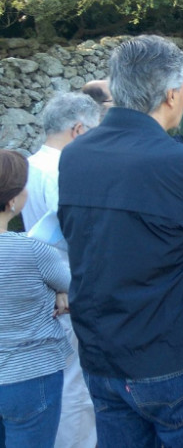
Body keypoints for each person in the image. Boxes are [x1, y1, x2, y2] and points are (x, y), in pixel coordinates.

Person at [58, 35, 183, 447]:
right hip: (177, 356)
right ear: (171, 95)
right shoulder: (181, 163)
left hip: (102, 355)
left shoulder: (75, 155)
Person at [21, 92, 100, 448]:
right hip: (68, 284)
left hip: (42, 283)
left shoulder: (30, 165)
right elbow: (75, 233)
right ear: (78, 129)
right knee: (76, 382)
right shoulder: (62, 171)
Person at [0, 149, 72, 448]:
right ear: (12, 200)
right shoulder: (32, 251)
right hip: (29, 376)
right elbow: (73, 285)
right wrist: (61, 291)